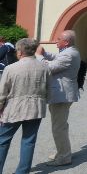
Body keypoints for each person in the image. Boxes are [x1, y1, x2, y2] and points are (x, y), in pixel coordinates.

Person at [0, 38, 48, 174]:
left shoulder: (10, 68)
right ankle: (22, 172)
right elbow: (49, 89)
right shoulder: (44, 67)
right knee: (29, 141)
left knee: (2, 141)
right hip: (36, 108)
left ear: (20, 52)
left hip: (13, 109)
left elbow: (2, 93)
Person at [36, 30, 81, 166]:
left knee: (58, 127)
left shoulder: (69, 54)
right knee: (60, 126)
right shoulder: (68, 51)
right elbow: (56, 58)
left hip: (62, 95)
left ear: (66, 42)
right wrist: (44, 53)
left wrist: (38, 56)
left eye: (58, 39)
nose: (56, 41)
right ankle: (62, 152)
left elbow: (48, 68)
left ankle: (64, 157)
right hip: (62, 95)